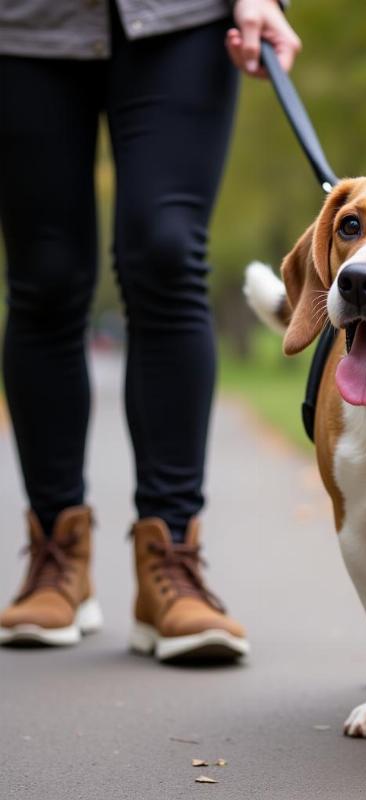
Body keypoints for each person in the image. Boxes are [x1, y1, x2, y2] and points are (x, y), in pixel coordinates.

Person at [0, 0, 301, 661]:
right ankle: (58, 555)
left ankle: (170, 560)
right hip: (20, 25)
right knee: (44, 274)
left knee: (165, 252)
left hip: (183, 16)